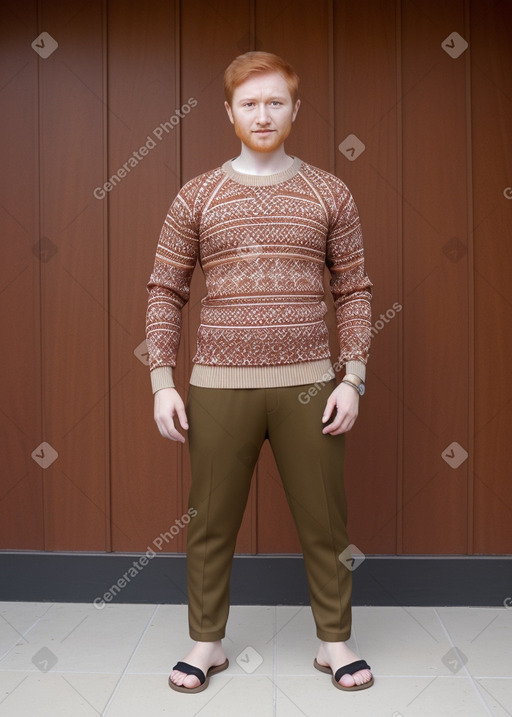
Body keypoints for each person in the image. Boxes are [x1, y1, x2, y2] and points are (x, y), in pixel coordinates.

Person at [145, 51, 374, 693]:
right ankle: (206, 642)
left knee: (326, 522)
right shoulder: (198, 194)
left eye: (276, 101)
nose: (263, 113)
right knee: (210, 521)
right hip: (217, 387)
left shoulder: (331, 191)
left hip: (312, 387)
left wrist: (352, 378)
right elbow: (165, 288)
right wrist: (162, 382)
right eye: (250, 103)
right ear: (229, 113)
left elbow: (354, 289)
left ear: (295, 109)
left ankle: (335, 643)